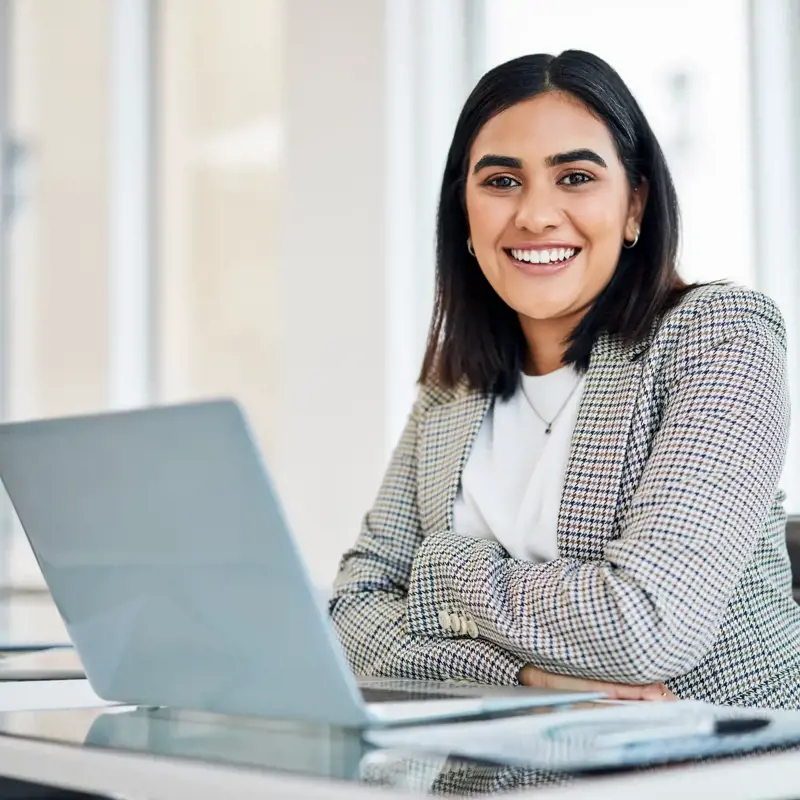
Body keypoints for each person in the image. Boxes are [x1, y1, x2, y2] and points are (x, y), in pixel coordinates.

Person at [330, 50, 800, 708]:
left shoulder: (719, 335)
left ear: (634, 204)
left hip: (713, 768)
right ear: (463, 213)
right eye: (501, 182)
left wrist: (438, 576)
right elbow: (350, 615)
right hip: (493, 772)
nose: (535, 215)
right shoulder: (452, 386)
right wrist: (524, 678)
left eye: (575, 177)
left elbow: (646, 629)